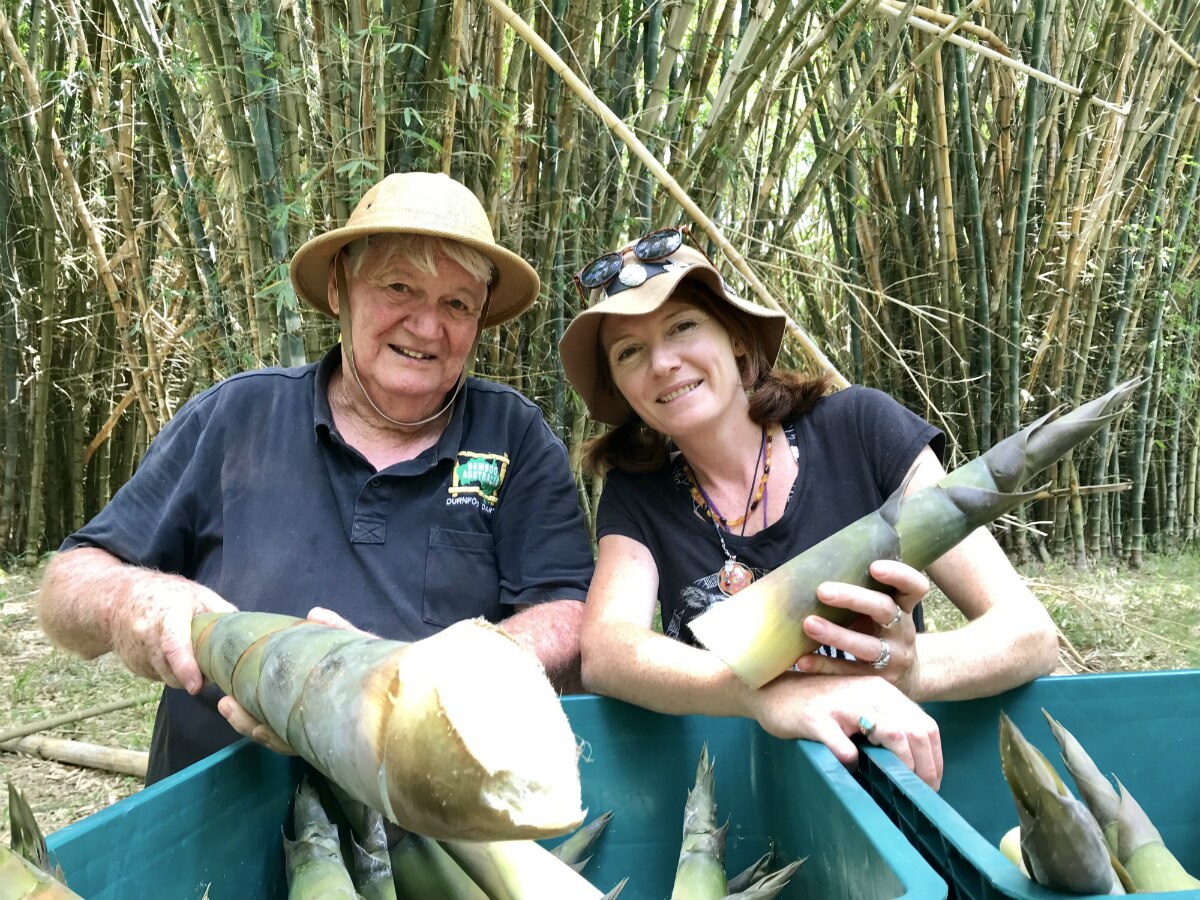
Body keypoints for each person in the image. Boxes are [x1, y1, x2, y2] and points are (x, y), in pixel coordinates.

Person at [37, 172, 595, 782]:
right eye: (399, 287)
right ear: (339, 289)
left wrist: (423, 681)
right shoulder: (238, 415)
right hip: (219, 803)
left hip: (422, 805)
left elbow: (569, 619)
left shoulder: (513, 436)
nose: (427, 326)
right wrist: (132, 598)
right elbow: (67, 585)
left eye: (457, 304)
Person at [558, 228, 1059, 789]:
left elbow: (1030, 636)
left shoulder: (862, 430)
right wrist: (764, 693)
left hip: (894, 777)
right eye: (629, 352)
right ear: (620, 387)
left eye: (683, 326)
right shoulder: (638, 494)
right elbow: (607, 651)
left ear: (736, 337)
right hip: (745, 790)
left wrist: (912, 669)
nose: (663, 362)